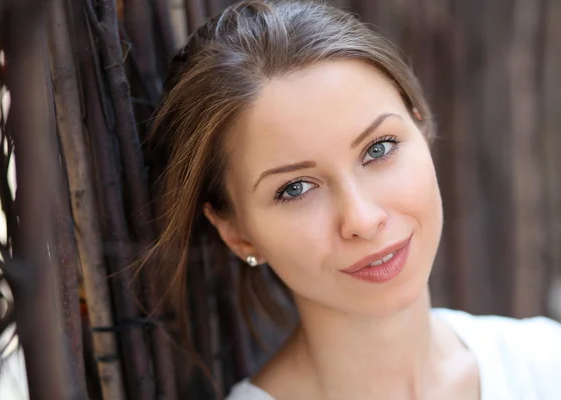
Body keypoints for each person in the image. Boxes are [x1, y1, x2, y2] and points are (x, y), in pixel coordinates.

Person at [149, 0, 561, 399]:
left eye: (379, 149)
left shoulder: (545, 365)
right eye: (295, 188)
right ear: (237, 231)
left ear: (421, 124)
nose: (362, 219)